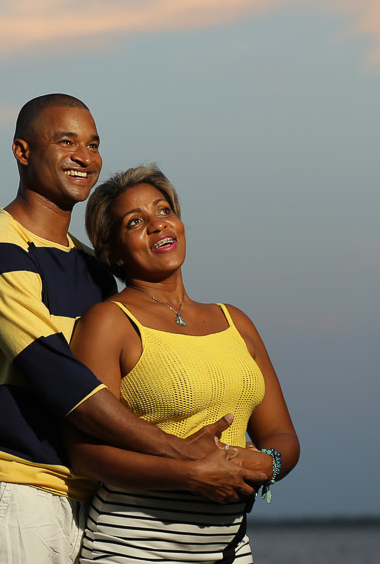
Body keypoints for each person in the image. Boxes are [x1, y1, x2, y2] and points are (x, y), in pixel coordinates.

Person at [0, 96, 264, 564]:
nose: (85, 156)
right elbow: (61, 379)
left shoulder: (91, 267)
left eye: (93, 144)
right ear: (22, 151)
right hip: (16, 495)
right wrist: (182, 456)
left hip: (89, 503)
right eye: (66, 141)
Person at [67, 164, 300, 563]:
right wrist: (190, 475)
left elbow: (281, 434)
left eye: (164, 211)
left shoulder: (235, 321)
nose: (157, 226)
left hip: (229, 547)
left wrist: (264, 463)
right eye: (135, 221)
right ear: (113, 252)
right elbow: (84, 454)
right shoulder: (108, 322)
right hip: (134, 548)